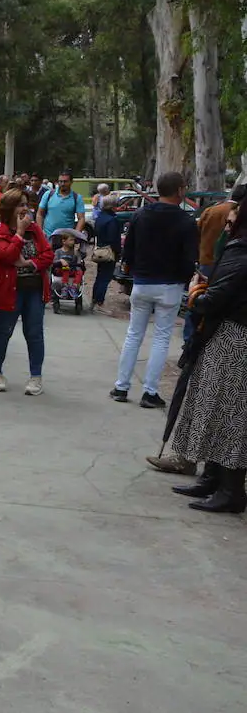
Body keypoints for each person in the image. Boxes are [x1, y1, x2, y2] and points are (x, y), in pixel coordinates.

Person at [168, 205, 247, 513]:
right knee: (219, 408)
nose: (226, 226)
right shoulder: (238, 250)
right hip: (229, 336)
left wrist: (195, 295)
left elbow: (214, 299)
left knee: (228, 413)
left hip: (234, 338)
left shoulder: (241, 253)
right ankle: (213, 478)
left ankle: (229, 489)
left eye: (231, 222)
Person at [110, 172, 198, 408]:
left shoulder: (141, 215)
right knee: (161, 337)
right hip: (169, 285)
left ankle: (121, 386)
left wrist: (131, 268)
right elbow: (190, 258)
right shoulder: (186, 221)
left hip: (142, 281)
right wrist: (185, 277)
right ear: (179, 190)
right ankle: (150, 391)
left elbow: (128, 250)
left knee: (134, 334)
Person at [0, 189, 54, 395]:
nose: (25, 208)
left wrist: (31, 263)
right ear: (9, 208)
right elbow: (6, 256)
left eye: (26, 204)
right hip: (8, 290)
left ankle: (36, 377)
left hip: (34, 290)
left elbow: (48, 254)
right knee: (3, 332)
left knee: (34, 334)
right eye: (20, 204)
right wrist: (19, 234)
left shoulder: (35, 229)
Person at [91, 205, 123, 313]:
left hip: (100, 250)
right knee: (105, 277)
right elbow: (113, 239)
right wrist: (118, 252)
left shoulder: (100, 217)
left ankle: (94, 299)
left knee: (99, 276)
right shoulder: (112, 220)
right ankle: (99, 301)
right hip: (109, 252)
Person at [38, 170, 87, 236]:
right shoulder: (48, 194)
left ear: (71, 182)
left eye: (65, 181)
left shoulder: (77, 197)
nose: (62, 184)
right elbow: (40, 214)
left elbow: (81, 218)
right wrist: (40, 231)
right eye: (60, 181)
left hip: (67, 238)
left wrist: (76, 234)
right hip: (48, 236)